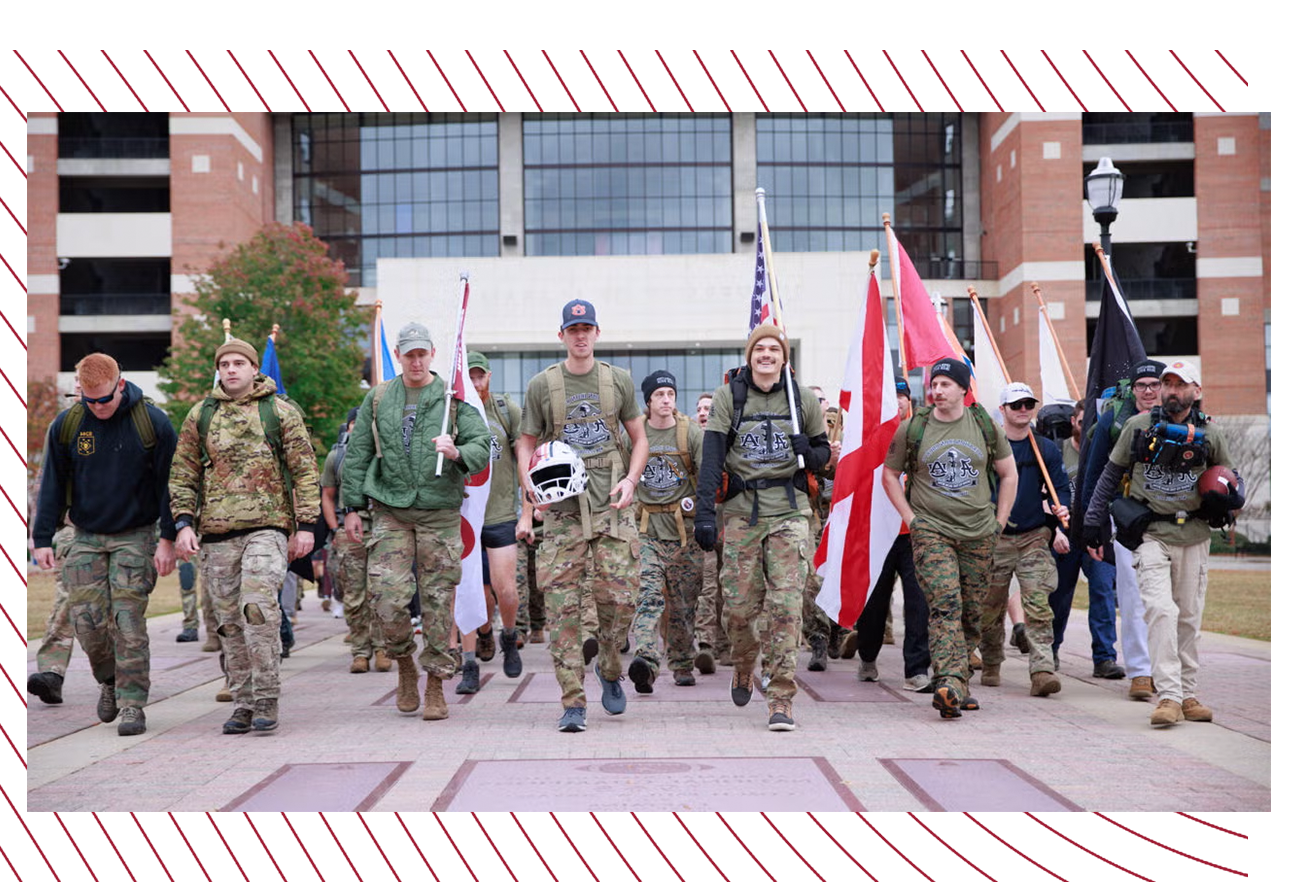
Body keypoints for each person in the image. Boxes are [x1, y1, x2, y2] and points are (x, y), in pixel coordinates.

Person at [340, 322, 491, 721]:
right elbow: (356, 456)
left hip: (439, 512)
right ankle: (405, 663)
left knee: (439, 602)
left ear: (432, 354)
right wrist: (351, 508)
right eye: (410, 354)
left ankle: (437, 683)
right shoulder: (379, 398)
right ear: (399, 356)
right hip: (391, 510)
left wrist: (457, 451)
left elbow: (482, 445)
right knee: (387, 598)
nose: (417, 361)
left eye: (422, 353)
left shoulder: (452, 399)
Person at [170, 337, 321, 735]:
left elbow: (305, 470)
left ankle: (267, 696)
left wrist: (306, 526)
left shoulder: (279, 412)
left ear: (255, 368)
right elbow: (183, 474)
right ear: (218, 370)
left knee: (256, 608)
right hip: (217, 534)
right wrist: (183, 523)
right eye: (225, 364)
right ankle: (242, 701)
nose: (232, 369)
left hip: (267, 529)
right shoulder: (200, 415)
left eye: (239, 363)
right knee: (228, 624)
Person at [515, 299, 648, 734]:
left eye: (587, 327)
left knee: (622, 600)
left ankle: (610, 667)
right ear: (562, 335)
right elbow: (526, 442)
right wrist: (529, 489)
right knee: (561, 612)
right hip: (563, 515)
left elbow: (639, 438)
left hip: (611, 509)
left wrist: (631, 480)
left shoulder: (617, 381)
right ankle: (572, 702)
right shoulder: (542, 385)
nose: (580, 335)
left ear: (596, 332)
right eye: (573, 329)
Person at [1084, 360, 1240, 727]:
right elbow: (1109, 474)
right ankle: (1168, 696)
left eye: (1180, 385)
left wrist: (1227, 505)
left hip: (1195, 537)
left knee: (1187, 619)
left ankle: (1188, 694)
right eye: (1167, 383)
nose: (1171, 390)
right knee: (1160, 611)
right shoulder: (1138, 427)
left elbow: (1232, 481)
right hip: (1151, 534)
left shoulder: (1211, 433)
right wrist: (1092, 521)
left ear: (1195, 392)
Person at [32, 353, 178, 736]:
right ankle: (109, 681)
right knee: (86, 622)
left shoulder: (154, 423)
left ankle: (132, 703)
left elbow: (172, 487)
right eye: (89, 400)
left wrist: (168, 539)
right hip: (86, 536)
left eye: (105, 400)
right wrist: (42, 537)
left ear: (121, 385)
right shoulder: (68, 425)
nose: (97, 407)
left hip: (137, 533)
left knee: (127, 622)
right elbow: (52, 484)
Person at [694, 324, 830, 732]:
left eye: (774, 349)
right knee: (737, 609)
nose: (766, 354)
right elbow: (712, 459)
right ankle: (743, 660)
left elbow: (823, 455)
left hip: (789, 514)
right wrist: (704, 513)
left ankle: (781, 697)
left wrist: (811, 449)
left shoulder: (800, 398)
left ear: (784, 357)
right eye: (760, 349)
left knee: (786, 608)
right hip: (740, 514)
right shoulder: (729, 397)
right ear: (750, 355)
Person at [882, 357, 1016, 719]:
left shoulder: (985, 426)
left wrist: (999, 522)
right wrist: (914, 520)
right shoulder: (914, 428)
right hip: (933, 533)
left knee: (973, 613)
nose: (936, 390)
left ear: (962, 389)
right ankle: (949, 682)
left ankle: (961, 682)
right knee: (945, 605)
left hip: (978, 533)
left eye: (944, 384)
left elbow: (1008, 474)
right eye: (934, 384)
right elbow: (889, 475)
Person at [977, 383, 1071, 697]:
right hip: (996, 537)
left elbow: (1061, 487)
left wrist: (1062, 511)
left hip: (1034, 536)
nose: (1023, 410)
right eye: (1015, 405)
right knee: (989, 607)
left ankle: (1042, 669)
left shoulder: (1045, 449)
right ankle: (990, 661)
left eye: (1028, 404)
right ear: (1002, 410)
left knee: (1038, 603)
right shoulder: (988, 447)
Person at [1079, 359, 1165, 699]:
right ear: (1134, 389)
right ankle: (1141, 672)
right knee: (1133, 597)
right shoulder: (1114, 420)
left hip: (1175, 518)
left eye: (1155, 385)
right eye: (1142, 385)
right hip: (1128, 516)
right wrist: (1093, 524)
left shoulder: (1185, 418)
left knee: (1169, 602)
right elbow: (1095, 470)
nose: (1148, 391)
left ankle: (1168, 668)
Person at [847, 380, 932, 693]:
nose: (896, 402)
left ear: (910, 401)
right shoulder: (872, 437)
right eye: (891, 397)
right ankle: (868, 657)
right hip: (880, 531)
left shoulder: (923, 433)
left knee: (918, 603)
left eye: (902, 397)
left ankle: (917, 668)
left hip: (915, 533)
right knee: (875, 603)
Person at [627, 370, 704, 693]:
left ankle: (683, 662)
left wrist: (706, 519)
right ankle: (645, 660)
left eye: (670, 394)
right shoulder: (636, 433)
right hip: (646, 531)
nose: (666, 400)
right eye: (659, 395)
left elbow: (708, 478)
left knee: (685, 605)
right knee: (648, 597)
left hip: (684, 534)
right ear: (648, 401)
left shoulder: (690, 434)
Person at [455, 350, 525, 693]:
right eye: (469, 376)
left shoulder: (505, 411)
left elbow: (524, 460)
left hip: (499, 513)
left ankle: (509, 635)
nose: (475, 383)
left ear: (489, 377)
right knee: (468, 590)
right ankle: (469, 662)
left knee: (506, 589)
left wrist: (528, 510)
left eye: (480, 376)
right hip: (464, 516)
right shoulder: (452, 415)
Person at [1046, 401, 1120, 677]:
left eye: (1091, 423)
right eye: (1080, 422)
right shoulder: (1057, 451)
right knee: (1059, 595)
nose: (1085, 427)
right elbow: (1046, 494)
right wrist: (1054, 530)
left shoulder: (1106, 451)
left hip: (1097, 532)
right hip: (1065, 531)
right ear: (1073, 422)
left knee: (1102, 590)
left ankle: (1104, 657)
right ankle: (1050, 649)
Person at [321, 409, 389, 675]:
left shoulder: (386, 455)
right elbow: (327, 495)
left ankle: (383, 648)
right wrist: (334, 527)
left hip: (383, 528)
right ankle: (361, 652)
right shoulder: (337, 457)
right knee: (354, 595)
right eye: (353, 424)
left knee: (383, 592)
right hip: (350, 532)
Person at [692, 392, 731, 671]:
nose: (704, 412)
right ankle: (705, 644)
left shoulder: (728, 440)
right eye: (700, 408)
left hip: (730, 521)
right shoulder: (690, 440)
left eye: (709, 408)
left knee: (728, 588)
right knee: (707, 585)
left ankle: (726, 646)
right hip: (703, 521)